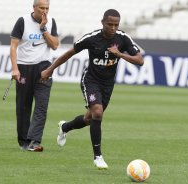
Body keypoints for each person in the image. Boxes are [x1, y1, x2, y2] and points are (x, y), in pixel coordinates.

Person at [41, 9, 144, 168]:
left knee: (89, 118)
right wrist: (50, 69)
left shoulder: (123, 38)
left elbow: (139, 60)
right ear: (102, 22)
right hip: (90, 80)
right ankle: (98, 157)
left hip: (107, 85)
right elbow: (69, 53)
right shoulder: (92, 38)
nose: (113, 28)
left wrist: (120, 54)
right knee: (98, 112)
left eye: (116, 25)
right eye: (109, 24)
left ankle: (65, 127)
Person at [10, 0, 59, 152]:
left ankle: (34, 141)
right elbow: (13, 46)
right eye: (42, 8)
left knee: (41, 106)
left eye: (47, 8)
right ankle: (24, 141)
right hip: (24, 67)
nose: (45, 11)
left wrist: (43, 29)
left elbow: (55, 45)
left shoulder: (51, 22)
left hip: (44, 68)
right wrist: (15, 69)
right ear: (34, 8)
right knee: (23, 106)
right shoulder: (22, 21)